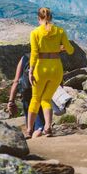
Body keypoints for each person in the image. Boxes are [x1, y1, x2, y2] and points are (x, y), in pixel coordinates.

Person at [26, 7, 74, 138]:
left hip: (40, 69)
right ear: (51, 17)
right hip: (56, 69)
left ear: (38, 18)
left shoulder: (35, 33)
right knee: (46, 98)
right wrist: (59, 48)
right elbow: (70, 50)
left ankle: (29, 130)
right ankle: (48, 127)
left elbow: (34, 53)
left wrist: (31, 71)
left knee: (35, 99)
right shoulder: (60, 31)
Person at [7, 53, 45, 138]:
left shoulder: (25, 57)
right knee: (39, 129)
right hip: (41, 96)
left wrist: (11, 101)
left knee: (30, 128)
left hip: (26, 95)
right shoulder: (49, 55)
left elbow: (16, 81)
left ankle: (31, 137)